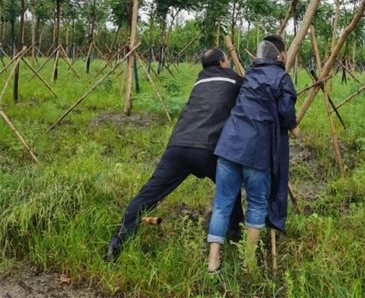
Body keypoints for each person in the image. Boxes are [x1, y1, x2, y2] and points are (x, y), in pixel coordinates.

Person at [105, 48, 245, 261]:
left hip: (178, 146)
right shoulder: (234, 80)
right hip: (210, 149)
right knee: (230, 189)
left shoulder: (199, 81)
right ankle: (236, 236)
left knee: (149, 195)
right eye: (227, 59)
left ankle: (118, 240)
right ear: (222, 62)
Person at [206, 35, 299, 273]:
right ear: (281, 55)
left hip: (229, 145)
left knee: (221, 204)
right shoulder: (282, 78)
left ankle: (213, 261)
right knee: (257, 203)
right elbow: (286, 112)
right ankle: (248, 261)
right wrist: (293, 125)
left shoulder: (249, 75)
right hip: (257, 151)